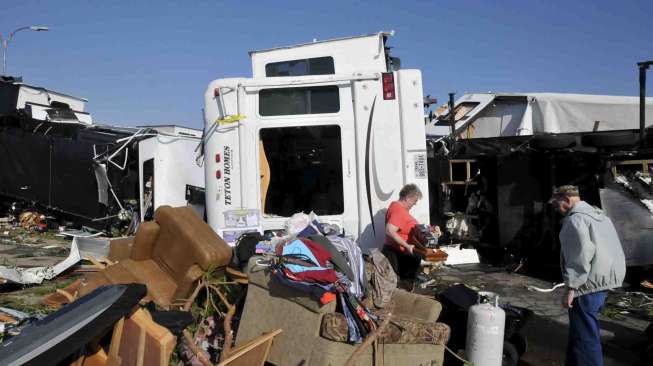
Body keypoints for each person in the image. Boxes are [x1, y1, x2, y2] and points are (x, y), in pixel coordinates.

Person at [549, 185, 626, 366]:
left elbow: (580, 257)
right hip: (604, 281)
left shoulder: (575, 221)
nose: (555, 208)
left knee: (585, 337)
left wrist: (571, 288)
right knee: (581, 331)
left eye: (556, 204)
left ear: (567, 200)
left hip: (587, 284)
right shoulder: (600, 217)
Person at [382, 183, 424, 289]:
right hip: (397, 253)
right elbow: (389, 230)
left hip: (395, 252)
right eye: (415, 201)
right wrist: (407, 246)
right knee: (401, 286)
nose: (415, 204)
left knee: (397, 284)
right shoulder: (399, 210)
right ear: (408, 198)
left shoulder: (395, 206)